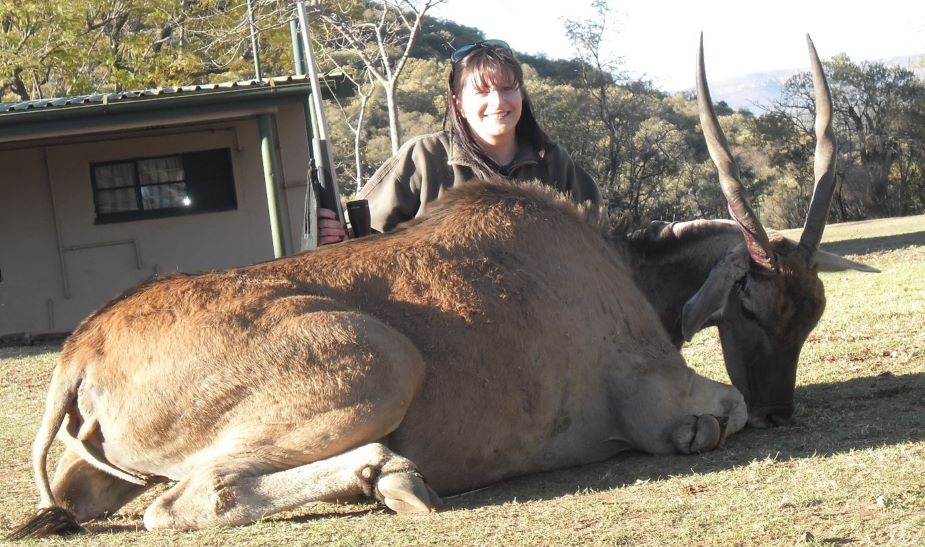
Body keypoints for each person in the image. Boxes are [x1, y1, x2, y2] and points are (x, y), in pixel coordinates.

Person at [318, 39, 601, 243]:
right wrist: (338, 235)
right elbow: (366, 235)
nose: (498, 101)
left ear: (522, 95)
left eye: (507, 89)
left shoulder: (554, 161)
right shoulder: (423, 156)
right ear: (459, 104)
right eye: (482, 91)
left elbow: (595, 239)